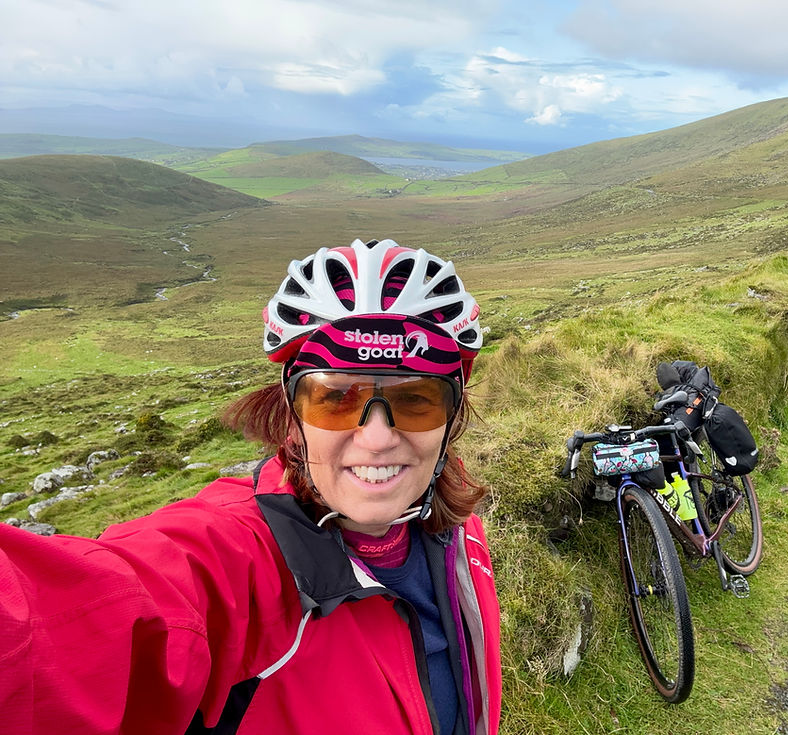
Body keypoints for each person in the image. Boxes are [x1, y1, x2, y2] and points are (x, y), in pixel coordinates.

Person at [0, 238, 501, 735]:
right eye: (335, 398)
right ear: (292, 412)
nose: (376, 439)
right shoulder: (236, 559)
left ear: (452, 416)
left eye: (416, 400)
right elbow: (67, 625)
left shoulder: (459, 535)